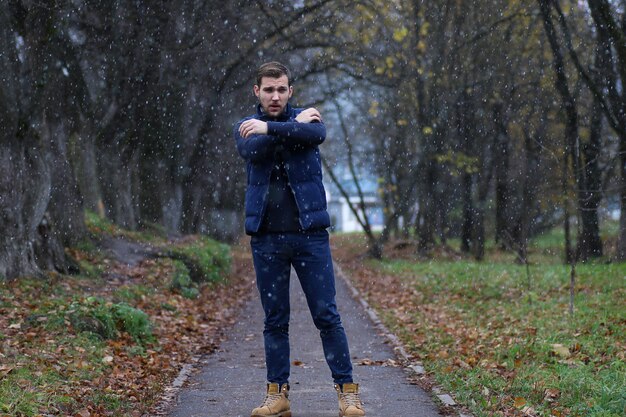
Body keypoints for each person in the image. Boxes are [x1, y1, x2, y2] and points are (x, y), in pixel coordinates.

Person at [233, 61, 366, 417]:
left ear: (290, 91)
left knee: (327, 315)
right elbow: (253, 150)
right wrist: (286, 127)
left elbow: (315, 136)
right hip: (267, 239)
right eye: (268, 89)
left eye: (281, 89)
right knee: (275, 319)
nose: (275, 96)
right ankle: (277, 395)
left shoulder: (310, 120)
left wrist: (275, 128)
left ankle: (347, 393)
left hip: (310, 237)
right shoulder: (247, 127)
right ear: (256, 92)